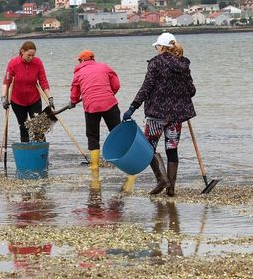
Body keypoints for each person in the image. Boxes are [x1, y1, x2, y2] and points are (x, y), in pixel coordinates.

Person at [123, 33, 197, 197]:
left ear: (161, 47)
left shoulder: (155, 63)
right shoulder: (183, 64)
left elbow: (146, 87)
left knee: (148, 148)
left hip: (156, 114)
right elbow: (191, 91)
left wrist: (132, 107)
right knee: (172, 148)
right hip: (176, 116)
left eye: (158, 46)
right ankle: (171, 188)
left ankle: (162, 179)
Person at [68, 49, 121, 184]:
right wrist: (109, 93)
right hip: (110, 103)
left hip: (91, 106)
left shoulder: (78, 72)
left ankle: (95, 166)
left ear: (81, 61)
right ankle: (126, 161)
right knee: (117, 133)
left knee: (92, 136)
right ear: (93, 59)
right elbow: (116, 85)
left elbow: (75, 91)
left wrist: (73, 102)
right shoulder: (104, 67)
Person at [1, 41, 52, 142]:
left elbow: (43, 81)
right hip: (17, 101)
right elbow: (6, 82)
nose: (31, 58)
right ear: (22, 52)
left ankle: (40, 151)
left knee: (38, 127)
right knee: (23, 127)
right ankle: (25, 151)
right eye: (29, 55)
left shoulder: (38, 63)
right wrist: (4, 97)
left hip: (34, 100)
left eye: (33, 55)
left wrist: (50, 98)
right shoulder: (13, 63)